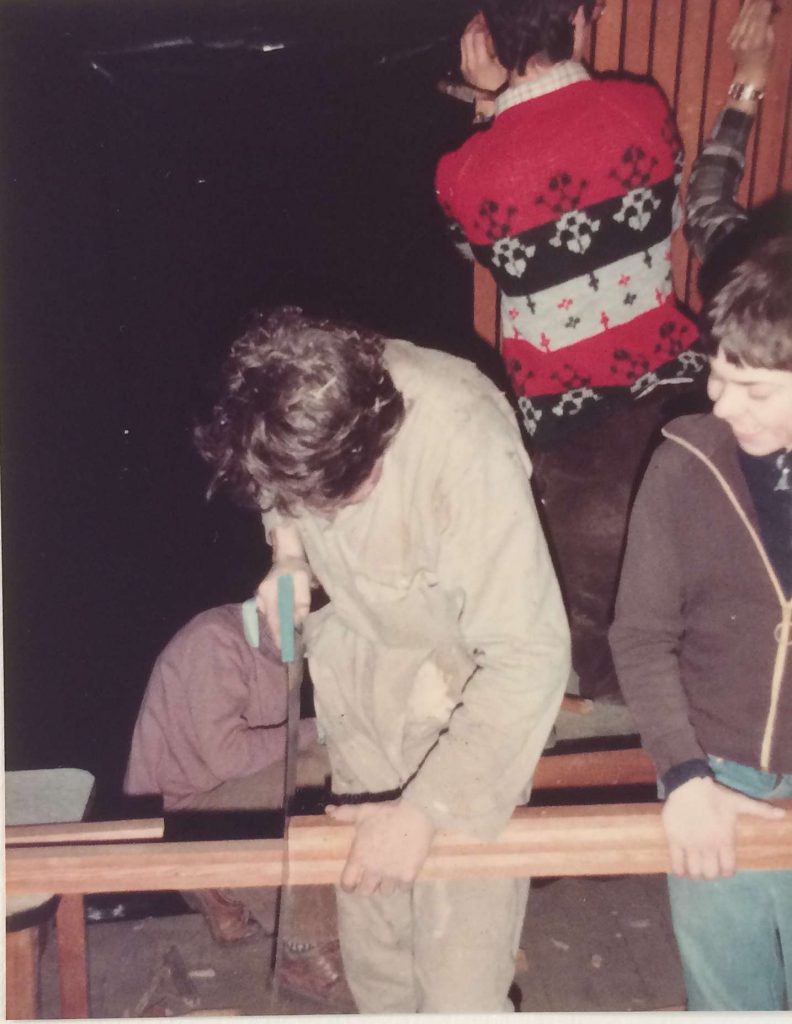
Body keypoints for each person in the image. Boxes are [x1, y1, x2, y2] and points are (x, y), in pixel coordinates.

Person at [194, 306, 570, 1013]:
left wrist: (428, 809)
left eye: (337, 496)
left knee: (460, 986)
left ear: (374, 435)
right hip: (359, 682)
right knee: (379, 969)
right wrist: (288, 557)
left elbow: (531, 656)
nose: (323, 516)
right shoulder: (283, 402)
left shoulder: (463, 438)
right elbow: (276, 492)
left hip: (465, 701)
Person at [435, 0, 707, 698]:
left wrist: (486, 108)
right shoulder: (642, 107)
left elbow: (476, 250)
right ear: (581, 18)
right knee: (700, 609)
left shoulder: (464, 172)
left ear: (488, 42)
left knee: (602, 648)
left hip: (569, 427)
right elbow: (671, 212)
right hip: (677, 399)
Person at [609, 6, 791, 1011]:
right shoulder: (691, 457)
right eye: (717, 374)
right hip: (721, 771)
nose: (718, 404)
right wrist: (683, 776)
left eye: (753, 389)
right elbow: (711, 194)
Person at [124, 600, 355, 1010]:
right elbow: (228, 757)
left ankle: (228, 888)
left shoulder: (279, 644)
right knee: (313, 771)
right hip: (178, 812)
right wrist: (318, 729)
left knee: (334, 762)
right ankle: (303, 948)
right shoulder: (215, 641)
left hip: (217, 792)